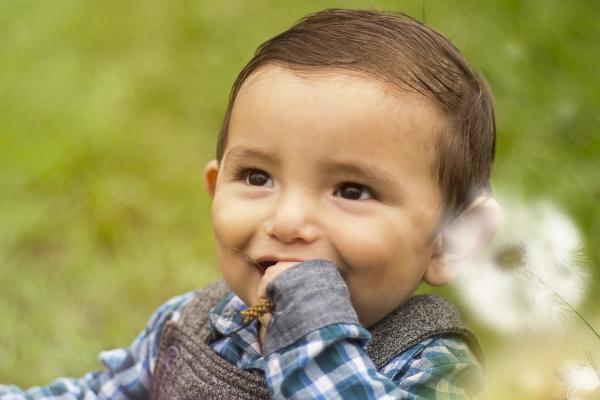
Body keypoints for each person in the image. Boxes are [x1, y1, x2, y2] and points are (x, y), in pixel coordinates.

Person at [0, 8, 501, 399]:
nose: (286, 221)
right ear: (217, 190)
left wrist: (311, 332)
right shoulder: (193, 325)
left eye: (351, 190)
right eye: (258, 177)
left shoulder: (433, 365)